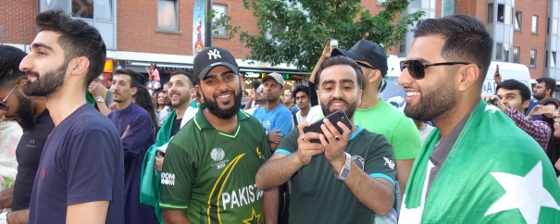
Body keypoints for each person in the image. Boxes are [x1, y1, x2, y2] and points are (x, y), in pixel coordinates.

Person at [398, 14, 560, 223]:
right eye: (405, 66)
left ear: (466, 77)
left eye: (417, 68)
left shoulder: (510, 157)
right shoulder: (438, 139)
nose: (403, 79)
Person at [256, 56, 396, 224]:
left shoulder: (376, 144)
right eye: (328, 87)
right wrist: (298, 158)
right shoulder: (300, 137)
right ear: (318, 94)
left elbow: (384, 205)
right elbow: (262, 180)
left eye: (346, 87)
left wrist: (341, 161)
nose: (337, 94)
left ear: (359, 95)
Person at [19, 9, 124, 224]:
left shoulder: (88, 132)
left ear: (77, 66)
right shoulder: (65, 129)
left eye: (41, 53)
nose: (24, 64)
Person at [159, 47, 277, 223]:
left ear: (240, 80)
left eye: (229, 77)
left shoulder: (255, 127)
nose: (222, 87)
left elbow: (269, 184)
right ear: (199, 89)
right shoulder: (182, 144)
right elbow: (172, 216)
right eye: (211, 81)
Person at [312, 39, 421, 202]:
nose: (345, 67)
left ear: (374, 74)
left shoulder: (400, 123)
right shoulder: (324, 114)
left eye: (354, 63)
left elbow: (409, 194)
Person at [0, 45, 55, 223]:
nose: (1, 113)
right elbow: (31, 183)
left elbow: (67, 205)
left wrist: (8, 219)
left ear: (23, 84)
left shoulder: (59, 126)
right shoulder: (29, 121)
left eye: (2, 103)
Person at [140, 71, 199, 223]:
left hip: (192, 203)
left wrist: (170, 166)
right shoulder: (168, 122)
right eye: (170, 84)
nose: (172, 88)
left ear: (193, 91)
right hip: (168, 197)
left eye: (180, 84)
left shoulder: (199, 120)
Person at [107, 69, 157, 223]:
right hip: (116, 185)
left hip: (136, 185)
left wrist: (115, 144)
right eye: (114, 82)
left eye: (122, 84)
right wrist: (118, 142)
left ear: (133, 90)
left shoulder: (141, 117)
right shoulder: (110, 117)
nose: (115, 87)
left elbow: (123, 152)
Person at [483, 79, 551, 150]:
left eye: (510, 97)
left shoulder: (542, 128)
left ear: (526, 103)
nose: (502, 101)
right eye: (499, 98)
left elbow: (529, 126)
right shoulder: (492, 126)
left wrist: (504, 109)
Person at [253, 72, 293, 152]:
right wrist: (267, 135)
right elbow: (247, 137)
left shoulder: (284, 113)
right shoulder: (257, 112)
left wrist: (255, 137)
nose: (268, 88)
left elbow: (273, 146)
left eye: (273, 85)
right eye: (266, 85)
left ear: (281, 91)